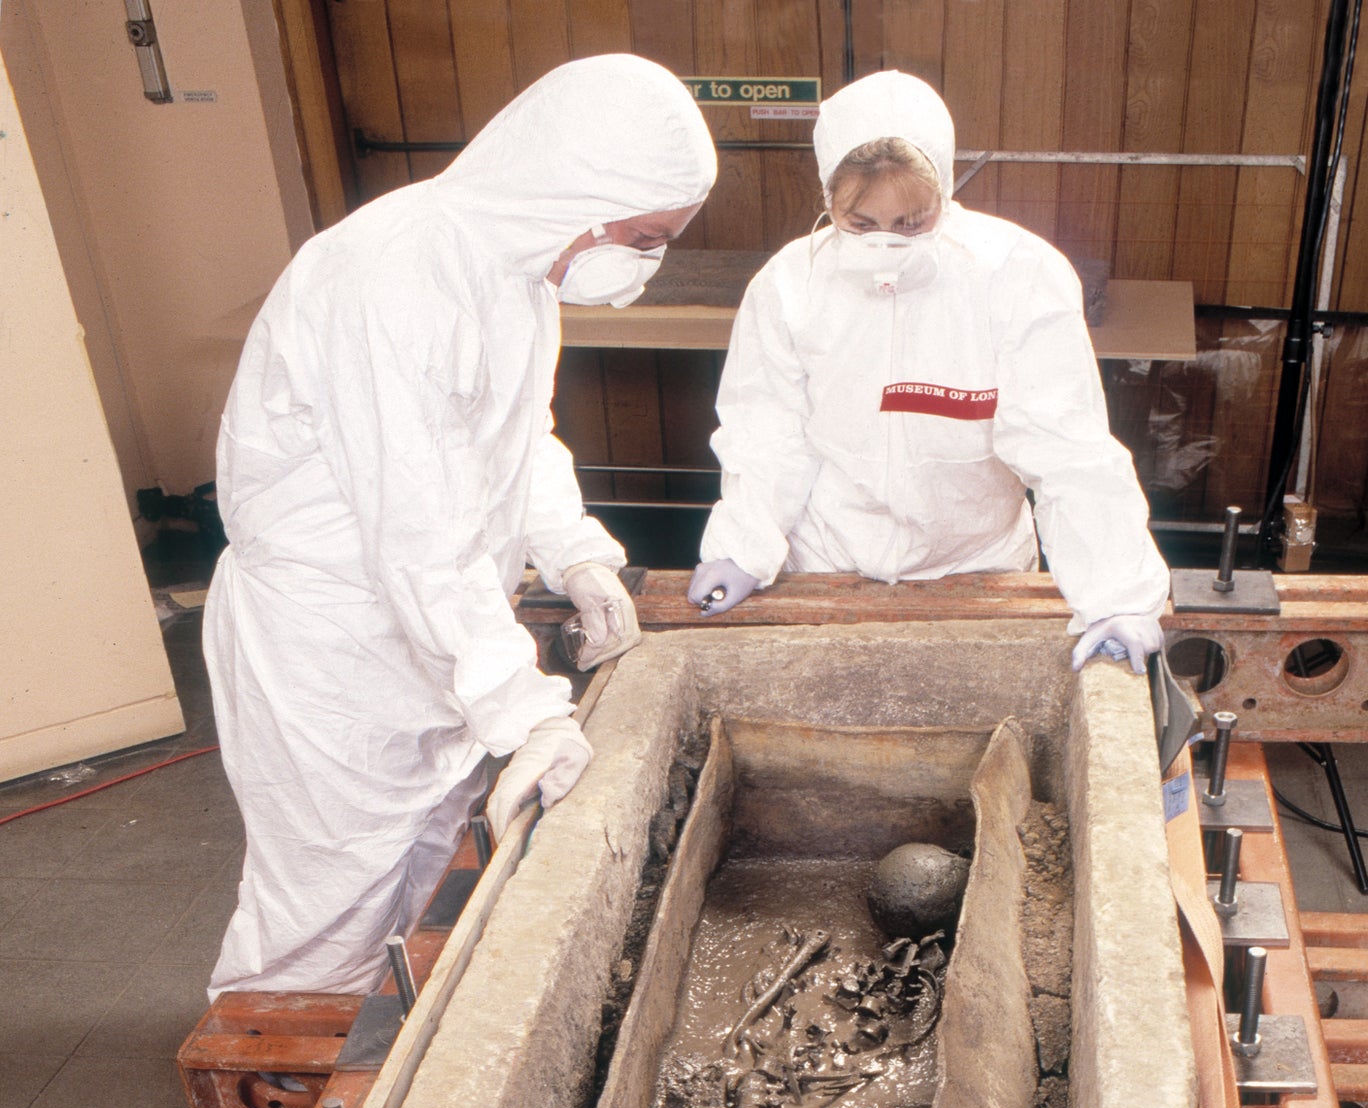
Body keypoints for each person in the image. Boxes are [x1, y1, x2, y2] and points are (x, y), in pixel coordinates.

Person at [206, 56, 715, 996]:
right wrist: (521, 707)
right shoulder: (392, 277)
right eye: (643, 237)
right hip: (333, 642)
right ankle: (276, 1088)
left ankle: (373, 1058)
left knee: (422, 859)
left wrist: (575, 553)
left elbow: (515, 438)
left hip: (431, 627)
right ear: (580, 194)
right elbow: (418, 525)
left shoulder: (515, 272)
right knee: (331, 887)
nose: (645, 262)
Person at [687, 71, 1168, 674]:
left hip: (977, 570)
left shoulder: (1016, 275)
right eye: (859, 224)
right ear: (826, 200)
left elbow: (1066, 447)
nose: (886, 241)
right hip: (831, 564)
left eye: (912, 222)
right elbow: (767, 432)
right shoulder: (791, 285)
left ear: (945, 190)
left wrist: (1116, 595)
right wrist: (744, 547)